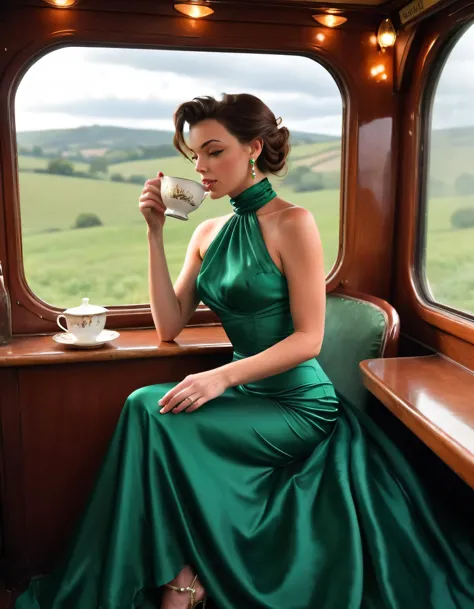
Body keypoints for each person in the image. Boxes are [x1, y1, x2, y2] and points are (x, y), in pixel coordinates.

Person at [15, 93, 474, 609]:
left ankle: (182, 584)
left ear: (253, 148)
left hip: (299, 404)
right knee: (144, 406)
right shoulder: (208, 231)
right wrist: (154, 233)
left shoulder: (293, 223)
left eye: (214, 151)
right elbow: (169, 325)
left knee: (158, 415)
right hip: (244, 391)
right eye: (194, 156)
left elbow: (309, 339)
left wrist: (220, 379)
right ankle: (178, 575)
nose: (202, 168)